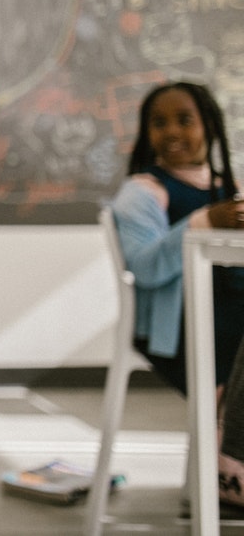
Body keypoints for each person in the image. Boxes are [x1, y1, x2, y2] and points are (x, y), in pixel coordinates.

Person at [108, 81, 244, 506]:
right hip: (178, 332)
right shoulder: (144, 193)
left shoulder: (229, 189)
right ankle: (229, 473)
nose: (172, 132)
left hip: (228, 320)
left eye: (185, 120)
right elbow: (145, 267)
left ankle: (226, 467)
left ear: (210, 126)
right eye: (159, 122)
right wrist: (203, 222)